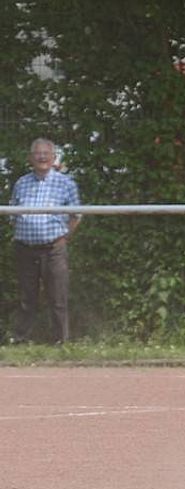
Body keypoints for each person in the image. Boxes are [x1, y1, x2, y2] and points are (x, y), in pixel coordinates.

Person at [9, 138, 82, 344]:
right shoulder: (21, 183)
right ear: (30, 158)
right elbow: (12, 214)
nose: (42, 157)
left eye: (46, 153)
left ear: (53, 157)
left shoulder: (66, 183)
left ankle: (60, 342)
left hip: (54, 249)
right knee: (26, 297)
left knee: (58, 297)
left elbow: (76, 215)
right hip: (25, 249)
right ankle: (20, 340)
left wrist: (63, 238)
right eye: (37, 153)